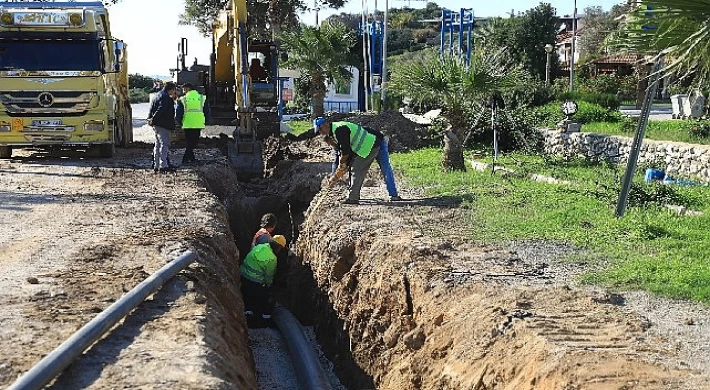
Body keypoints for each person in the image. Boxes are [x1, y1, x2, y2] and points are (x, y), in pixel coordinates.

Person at [314, 117, 402, 204]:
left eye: (320, 130)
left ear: (325, 125)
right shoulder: (335, 132)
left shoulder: (339, 130)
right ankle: (354, 195)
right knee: (355, 166)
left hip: (372, 144)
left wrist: (342, 165)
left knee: (358, 169)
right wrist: (335, 175)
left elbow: (346, 152)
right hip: (371, 144)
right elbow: (341, 157)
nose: (321, 133)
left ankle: (353, 198)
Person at [240, 235, 287, 327]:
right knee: (263, 300)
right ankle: (265, 320)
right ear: (279, 248)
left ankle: (248, 315)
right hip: (254, 282)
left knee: (248, 299)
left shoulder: (260, 247)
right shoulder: (272, 258)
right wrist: (269, 288)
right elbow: (268, 277)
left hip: (242, 277)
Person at [176, 83, 209, 164]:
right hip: (198, 123)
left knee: (189, 142)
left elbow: (178, 113)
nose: (183, 91)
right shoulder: (202, 98)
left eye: (184, 89)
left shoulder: (182, 99)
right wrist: (206, 121)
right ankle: (187, 159)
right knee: (193, 142)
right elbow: (207, 111)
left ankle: (188, 159)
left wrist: (179, 122)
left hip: (187, 123)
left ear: (187, 89)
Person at [148, 82, 177, 173]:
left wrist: (149, 118)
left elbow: (151, 108)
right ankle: (163, 165)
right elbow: (161, 109)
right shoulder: (165, 96)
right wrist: (153, 119)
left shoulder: (157, 95)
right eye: (174, 90)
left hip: (157, 125)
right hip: (163, 124)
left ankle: (156, 165)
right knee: (164, 144)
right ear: (171, 89)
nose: (174, 92)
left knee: (157, 144)